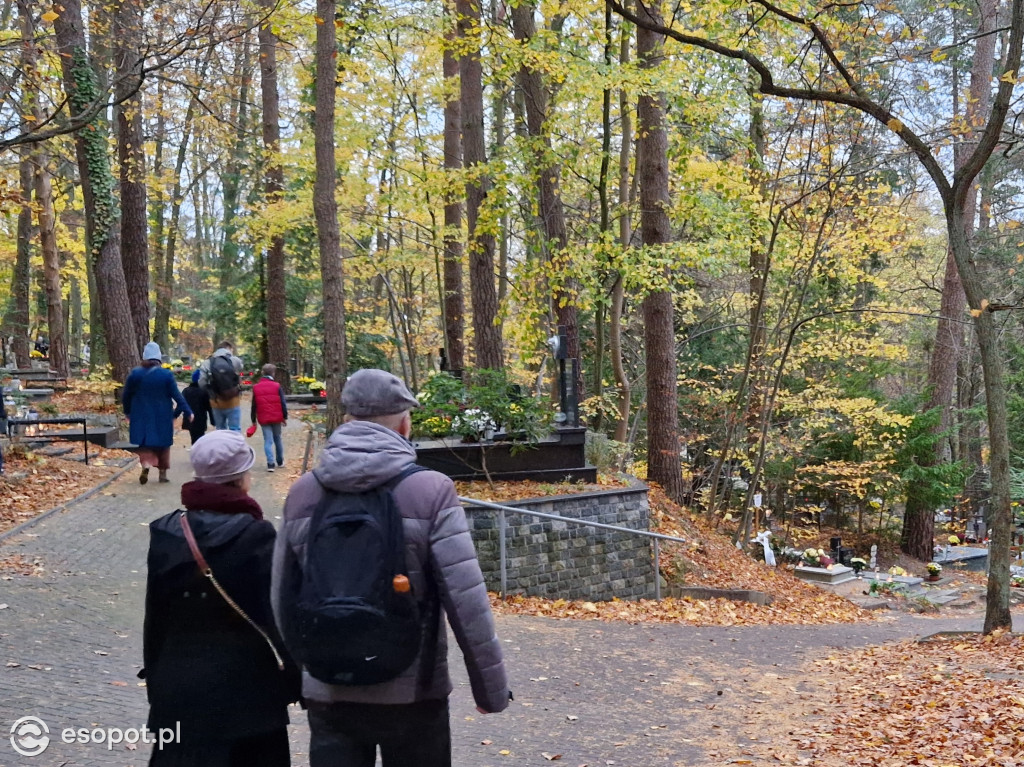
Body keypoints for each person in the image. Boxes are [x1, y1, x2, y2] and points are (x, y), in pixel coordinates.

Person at [272, 368, 510, 767]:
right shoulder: (431, 490)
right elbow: (466, 601)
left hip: (330, 689)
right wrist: (490, 690)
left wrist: (303, 672)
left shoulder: (303, 492)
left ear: (346, 418)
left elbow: (281, 595)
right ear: (403, 422)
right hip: (414, 693)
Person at [142, 430, 301, 766]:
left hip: (179, 691)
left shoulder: (166, 532)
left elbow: (155, 619)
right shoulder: (256, 535)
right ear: (243, 478)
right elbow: (277, 616)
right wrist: (299, 678)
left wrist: (156, 683)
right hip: (248, 695)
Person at [123, 342, 192, 484]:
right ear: (159, 358)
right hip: (163, 416)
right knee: (163, 444)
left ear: (144, 357)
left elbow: (126, 396)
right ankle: (162, 473)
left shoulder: (135, 374)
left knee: (145, 443)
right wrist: (188, 411)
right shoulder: (166, 375)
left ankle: (146, 466)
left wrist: (128, 412)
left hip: (141, 415)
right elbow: (177, 396)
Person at [198, 341, 244, 431]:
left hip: (216, 401)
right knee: (235, 429)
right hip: (233, 400)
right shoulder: (234, 360)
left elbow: (201, 382)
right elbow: (240, 371)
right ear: (229, 348)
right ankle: (234, 445)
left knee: (220, 429)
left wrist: (210, 393)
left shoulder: (207, 362)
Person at [251, 364, 288, 472]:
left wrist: (253, 420)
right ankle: (280, 461)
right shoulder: (277, 386)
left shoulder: (256, 387)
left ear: (263, 373)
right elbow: (282, 403)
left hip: (263, 418)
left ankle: (270, 464)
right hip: (276, 417)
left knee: (268, 440)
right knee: (278, 439)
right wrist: (284, 416)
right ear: (273, 373)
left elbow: (254, 405)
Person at [181, 370, 214, 446]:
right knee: (199, 438)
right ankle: (198, 453)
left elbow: (181, 405)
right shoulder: (204, 392)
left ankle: (195, 450)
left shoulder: (186, 391)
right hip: (200, 420)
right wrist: (213, 421)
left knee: (193, 437)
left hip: (189, 419)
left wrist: (175, 415)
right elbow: (209, 408)